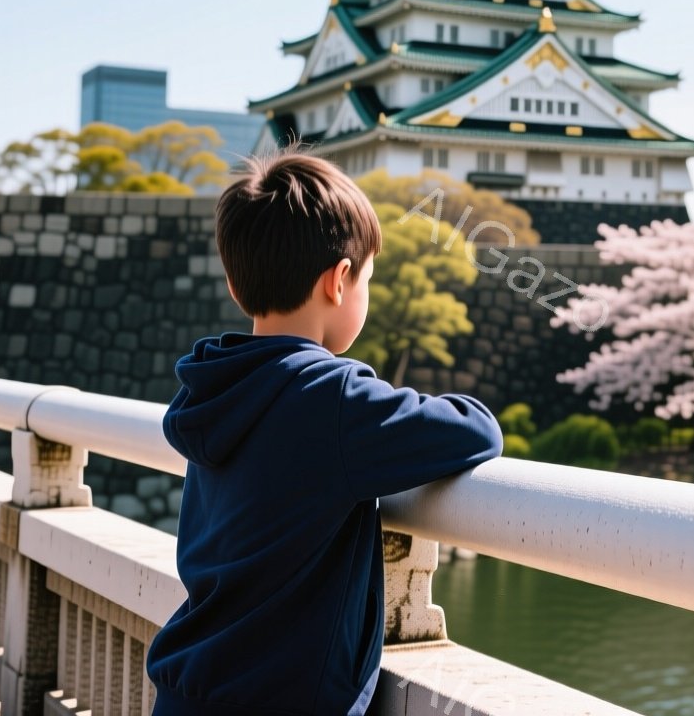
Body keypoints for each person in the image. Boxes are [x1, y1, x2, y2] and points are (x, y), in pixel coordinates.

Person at [146, 152, 504, 716]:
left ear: (239, 288)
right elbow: (473, 432)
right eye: (366, 279)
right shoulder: (331, 398)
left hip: (188, 690)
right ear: (339, 281)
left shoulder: (214, 388)